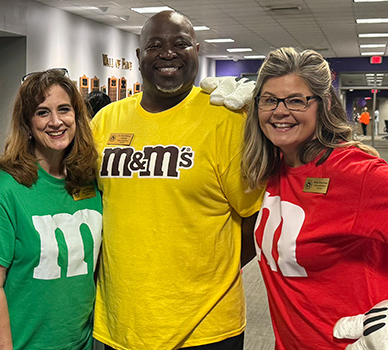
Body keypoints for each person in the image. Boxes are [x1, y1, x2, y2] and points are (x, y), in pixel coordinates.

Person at [89, 11, 263, 349]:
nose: (168, 53)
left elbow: (253, 222)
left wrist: (198, 277)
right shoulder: (106, 120)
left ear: (196, 50)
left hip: (205, 326)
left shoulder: (227, 120)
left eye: (180, 44)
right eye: (155, 45)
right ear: (139, 57)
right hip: (119, 323)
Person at [241, 47, 388, 349]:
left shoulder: (357, 173)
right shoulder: (272, 167)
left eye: (296, 100)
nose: (280, 111)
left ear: (323, 106)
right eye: (269, 100)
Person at [0, 69, 101, 350]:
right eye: (42, 112)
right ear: (27, 123)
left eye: (64, 110)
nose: (56, 121)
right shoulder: (7, 188)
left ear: (77, 117)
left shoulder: (89, 181)